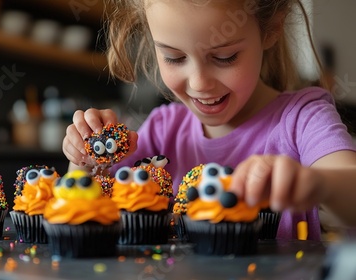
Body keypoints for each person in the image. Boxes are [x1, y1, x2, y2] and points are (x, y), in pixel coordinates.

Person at [62, 0, 356, 240]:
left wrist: (317, 183)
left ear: (271, 29)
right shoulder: (162, 131)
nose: (199, 83)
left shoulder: (302, 119)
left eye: (225, 56)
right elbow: (84, 207)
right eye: (174, 58)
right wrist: (85, 159)